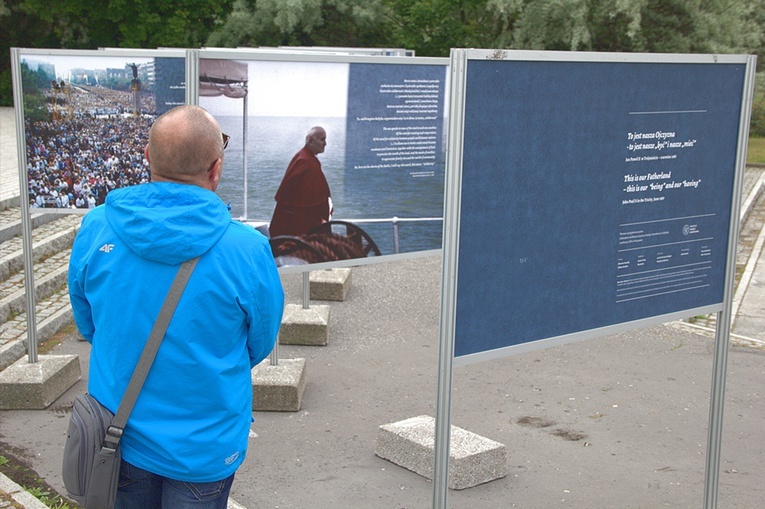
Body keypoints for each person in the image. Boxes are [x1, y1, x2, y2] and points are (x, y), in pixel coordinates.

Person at [68, 105, 284, 509]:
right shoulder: (247, 249)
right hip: (204, 445)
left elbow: (89, 323)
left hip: (118, 431)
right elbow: (260, 341)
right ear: (216, 169)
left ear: (147, 158)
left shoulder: (97, 227)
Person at [269, 126, 332, 237]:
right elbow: (288, 194)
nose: (325, 143)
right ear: (311, 141)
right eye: (322, 139)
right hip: (301, 224)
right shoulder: (304, 160)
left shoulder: (306, 158)